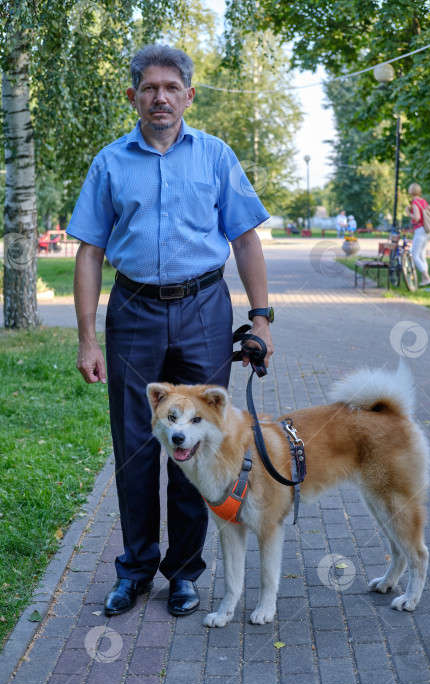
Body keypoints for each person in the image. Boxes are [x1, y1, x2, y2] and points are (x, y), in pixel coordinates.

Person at [67, 44, 274, 618]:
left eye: (171, 87)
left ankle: (183, 573)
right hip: (132, 312)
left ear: (187, 94)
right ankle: (134, 571)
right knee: (137, 448)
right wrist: (87, 337)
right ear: (133, 95)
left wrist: (260, 318)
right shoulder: (110, 163)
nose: (160, 97)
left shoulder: (215, 156)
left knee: (198, 443)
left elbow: (246, 239)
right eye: (149, 88)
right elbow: (89, 251)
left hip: (204, 307)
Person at [404, 183, 430, 287]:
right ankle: (425, 279)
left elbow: (416, 218)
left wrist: (408, 212)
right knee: (422, 255)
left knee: (414, 254)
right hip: (427, 230)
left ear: (410, 191)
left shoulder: (415, 203)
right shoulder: (423, 201)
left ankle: (427, 277)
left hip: (420, 230)